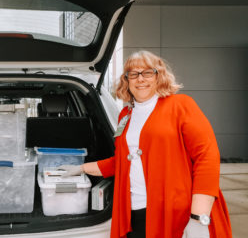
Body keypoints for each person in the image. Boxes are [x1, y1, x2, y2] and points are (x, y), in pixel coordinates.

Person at [59, 51, 232, 238]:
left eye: (148, 72)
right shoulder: (125, 115)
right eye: (133, 74)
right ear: (127, 80)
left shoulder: (181, 105)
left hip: (176, 212)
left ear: (160, 76)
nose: (140, 79)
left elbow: (207, 158)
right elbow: (122, 162)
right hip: (134, 212)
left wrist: (199, 217)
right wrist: (81, 168)